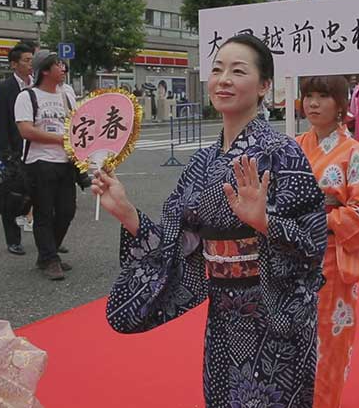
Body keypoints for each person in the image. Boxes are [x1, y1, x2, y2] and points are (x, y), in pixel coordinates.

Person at [92, 34, 328, 408]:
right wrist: (127, 212)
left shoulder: (283, 152)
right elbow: (178, 242)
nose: (223, 79)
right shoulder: (201, 162)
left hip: (273, 316)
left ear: (265, 85)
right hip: (223, 312)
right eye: (217, 70)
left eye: (238, 71)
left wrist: (264, 222)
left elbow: (313, 246)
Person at [297, 75, 359, 408]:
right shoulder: (294, 146)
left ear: (340, 104)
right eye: (308, 95)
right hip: (291, 261)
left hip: (330, 264)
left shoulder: (353, 152)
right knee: (291, 342)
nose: (313, 103)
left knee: (328, 345)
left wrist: (324, 220)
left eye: (323, 96)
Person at [15, 51, 78, 280]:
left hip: (65, 162)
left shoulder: (67, 96)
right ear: (45, 71)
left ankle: (47, 254)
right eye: (57, 65)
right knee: (43, 213)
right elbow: (26, 130)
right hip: (39, 162)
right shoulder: (27, 96)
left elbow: (76, 126)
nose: (63, 68)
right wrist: (61, 139)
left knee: (66, 211)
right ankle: (50, 258)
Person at [0, 43, 35, 255]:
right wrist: (6, 154)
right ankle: (13, 240)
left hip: (37, 150)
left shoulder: (38, 87)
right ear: (14, 64)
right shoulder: (3, 89)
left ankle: (50, 240)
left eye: (32, 60)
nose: (31, 64)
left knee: (42, 196)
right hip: (15, 152)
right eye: (27, 60)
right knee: (13, 197)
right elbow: (0, 124)